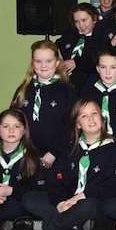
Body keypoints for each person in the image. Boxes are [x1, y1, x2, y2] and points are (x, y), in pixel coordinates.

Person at [16, 99, 116, 230]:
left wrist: (76, 199)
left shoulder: (114, 149)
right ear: (78, 124)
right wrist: (60, 203)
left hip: (92, 203)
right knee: (29, 198)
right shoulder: (70, 148)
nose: (91, 119)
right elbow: (56, 180)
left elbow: (112, 186)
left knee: (87, 206)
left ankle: (48, 226)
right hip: (68, 202)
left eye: (94, 114)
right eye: (84, 116)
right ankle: (73, 224)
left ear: (102, 118)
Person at [10, 40, 76, 169]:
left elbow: (72, 126)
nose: (43, 65)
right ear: (32, 62)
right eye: (38, 61)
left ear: (57, 62)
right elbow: (11, 120)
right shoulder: (23, 90)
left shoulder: (67, 91)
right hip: (25, 157)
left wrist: (53, 153)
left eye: (48, 61)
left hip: (57, 158)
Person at [0, 109, 43, 230]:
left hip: (16, 203)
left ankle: (1, 225)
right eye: (5, 126)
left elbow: (38, 188)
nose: (11, 130)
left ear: (24, 130)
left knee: (13, 207)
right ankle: (2, 225)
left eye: (16, 126)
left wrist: (12, 191)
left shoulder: (32, 156)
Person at [81, 48, 116, 149]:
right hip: (92, 146)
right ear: (97, 68)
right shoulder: (89, 92)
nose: (107, 72)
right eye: (103, 67)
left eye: (113, 67)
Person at [55, 3, 100, 95]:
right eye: (77, 21)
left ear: (94, 19)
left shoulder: (100, 38)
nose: (81, 25)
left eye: (84, 20)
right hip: (64, 82)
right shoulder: (70, 34)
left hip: (86, 85)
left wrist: (76, 62)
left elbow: (96, 62)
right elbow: (55, 47)